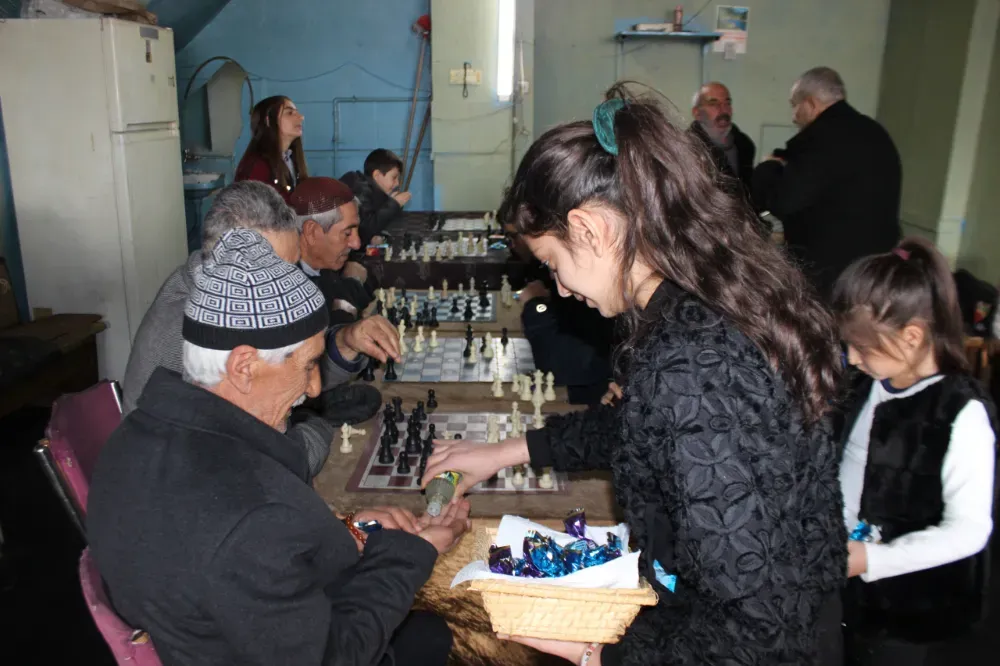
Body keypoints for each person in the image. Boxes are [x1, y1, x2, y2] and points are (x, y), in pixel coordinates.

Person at [423, 85, 847, 665]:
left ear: (590, 228)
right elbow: (647, 427)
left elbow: (756, 629)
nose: (560, 289)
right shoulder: (702, 298)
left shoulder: (696, 361)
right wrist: (506, 452)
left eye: (552, 263)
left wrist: (597, 657)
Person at [89, 228, 470, 666]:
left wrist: (345, 531)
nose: (314, 388)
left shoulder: (132, 439)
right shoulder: (251, 514)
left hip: (219, 635)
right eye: (308, 365)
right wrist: (411, 553)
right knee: (444, 634)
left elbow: (248, 564)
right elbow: (335, 656)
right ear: (244, 366)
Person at [121, 181, 397, 478]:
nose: (289, 283)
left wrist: (344, 343)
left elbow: (286, 369)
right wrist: (317, 426)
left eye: (290, 269)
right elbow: (268, 464)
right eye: (275, 270)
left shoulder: (223, 293)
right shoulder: (196, 327)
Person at [832, 238, 997, 666]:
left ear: (911, 337)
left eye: (862, 347)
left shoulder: (960, 412)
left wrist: (873, 558)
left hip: (906, 611)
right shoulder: (866, 386)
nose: (851, 358)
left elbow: (969, 530)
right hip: (844, 592)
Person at [753, 66, 902, 299]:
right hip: (875, 272)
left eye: (795, 105)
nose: (793, 117)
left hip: (831, 275)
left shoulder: (820, 139)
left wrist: (769, 167)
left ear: (811, 104)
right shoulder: (875, 132)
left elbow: (784, 201)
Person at [505, 223, 616, 405]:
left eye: (552, 263)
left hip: (587, 393)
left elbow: (560, 362)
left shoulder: (597, 299)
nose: (561, 289)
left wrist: (535, 305)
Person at [291, 177, 375, 323]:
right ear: (312, 232)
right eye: (347, 233)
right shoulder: (288, 291)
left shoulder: (325, 266)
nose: (356, 244)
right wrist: (354, 281)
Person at [689, 81, 756, 204]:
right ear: (696, 113)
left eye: (727, 103)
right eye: (713, 104)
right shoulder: (686, 147)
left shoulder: (744, 144)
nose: (723, 110)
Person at [235, 96, 309, 202]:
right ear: (268, 120)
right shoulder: (257, 166)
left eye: (297, 112)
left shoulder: (290, 158)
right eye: (289, 113)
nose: (301, 117)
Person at [340, 149, 412, 246]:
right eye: (394, 177)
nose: (397, 183)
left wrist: (371, 238)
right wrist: (394, 204)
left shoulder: (371, 191)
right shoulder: (359, 189)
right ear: (377, 175)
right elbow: (364, 229)